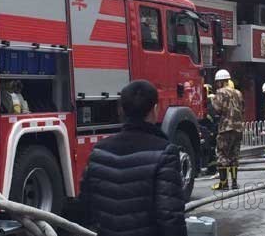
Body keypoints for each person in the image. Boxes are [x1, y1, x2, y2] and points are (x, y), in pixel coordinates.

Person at [79, 80, 187, 236]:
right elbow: (169, 216)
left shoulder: (98, 152)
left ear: (121, 111)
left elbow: (85, 210)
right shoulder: (165, 152)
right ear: (155, 110)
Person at [211, 69, 244, 191]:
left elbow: (217, 110)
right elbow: (242, 108)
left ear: (220, 82)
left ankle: (224, 184)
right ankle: (234, 183)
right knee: (234, 156)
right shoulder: (238, 93)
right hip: (238, 128)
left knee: (222, 155)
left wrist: (212, 99)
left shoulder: (220, 93)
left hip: (225, 128)